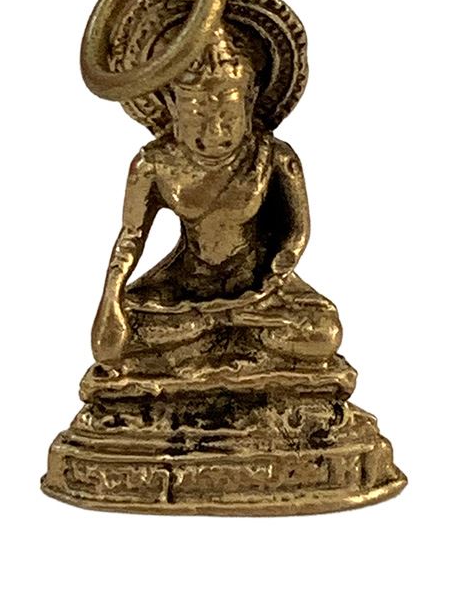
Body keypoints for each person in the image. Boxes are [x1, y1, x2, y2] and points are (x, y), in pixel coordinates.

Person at [91, 28, 342, 373]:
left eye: (228, 115)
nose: (215, 132)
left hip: (258, 286)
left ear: (249, 101)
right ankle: (224, 336)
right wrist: (112, 295)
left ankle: (204, 344)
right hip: (184, 286)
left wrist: (282, 263)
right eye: (198, 116)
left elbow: (296, 230)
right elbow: (131, 237)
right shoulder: (154, 165)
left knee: (323, 331)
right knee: (131, 331)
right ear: (172, 105)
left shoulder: (273, 158)